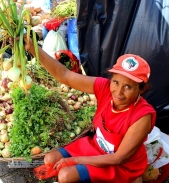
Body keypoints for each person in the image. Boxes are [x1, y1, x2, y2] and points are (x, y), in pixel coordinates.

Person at [24, 38, 156, 183]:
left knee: (65, 175)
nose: (118, 92)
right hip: (96, 148)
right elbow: (64, 76)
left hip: (120, 165)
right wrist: (34, 49)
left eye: (128, 87)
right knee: (49, 159)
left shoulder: (142, 116)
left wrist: (76, 160)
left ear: (141, 89)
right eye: (116, 82)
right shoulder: (104, 87)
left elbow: (119, 158)